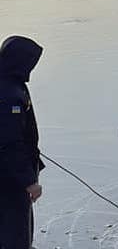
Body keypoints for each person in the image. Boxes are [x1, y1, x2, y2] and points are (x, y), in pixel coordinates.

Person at [0, 35, 45, 249]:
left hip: (12, 175)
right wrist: (29, 180)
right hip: (10, 182)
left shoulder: (10, 82)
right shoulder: (9, 94)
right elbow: (9, 143)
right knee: (15, 236)